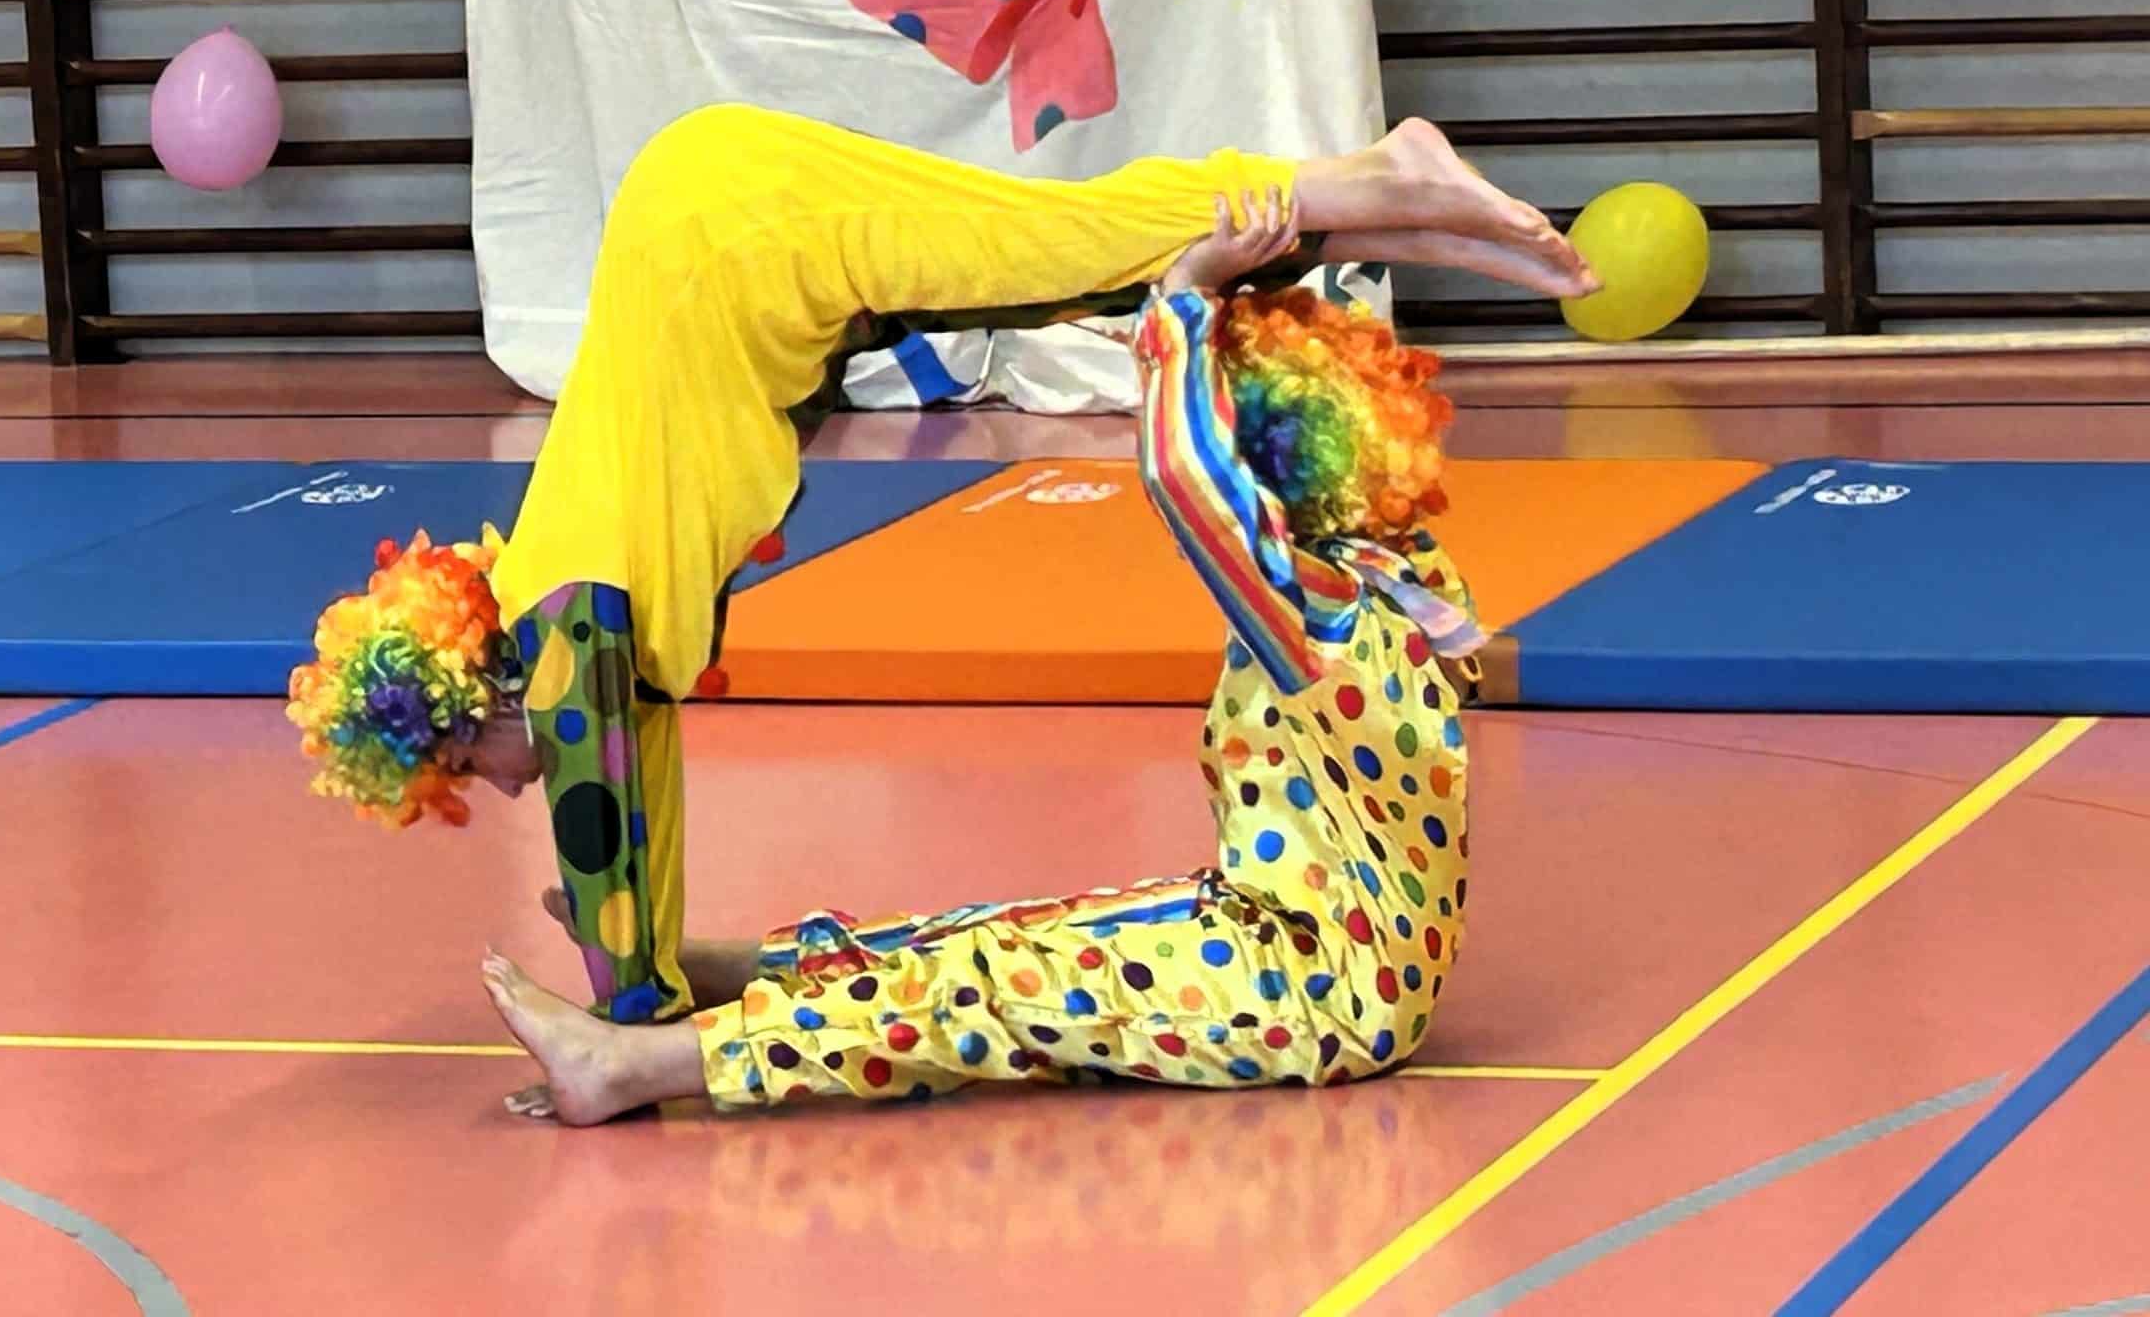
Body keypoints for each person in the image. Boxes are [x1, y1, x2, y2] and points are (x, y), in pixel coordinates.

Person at [286, 104, 1591, 1109]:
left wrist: (626, 1018)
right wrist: (649, 975)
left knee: (1046, 250)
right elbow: (636, 812)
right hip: (710, 220)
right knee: (1045, 248)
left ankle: (1369, 195)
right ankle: (1372, 202)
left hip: (730, 239)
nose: (500, 787)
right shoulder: (1411, 592)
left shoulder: (569, 628)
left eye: (471, 766)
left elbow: (601, 819)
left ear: (473, 693)